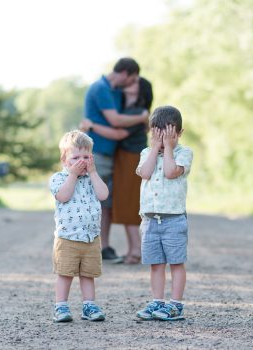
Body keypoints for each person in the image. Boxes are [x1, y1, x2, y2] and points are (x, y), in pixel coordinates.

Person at [80, 77, 153, 264]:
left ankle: (136, 249)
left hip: (132, 157)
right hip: (122, 157)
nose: (130, 83)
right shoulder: (126, 108)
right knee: (122, 202)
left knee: (129, 202)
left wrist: (91, 126)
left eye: (135, 82)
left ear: (141, 91)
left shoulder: (138, 112)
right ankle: (133, 249)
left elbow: (118, 133)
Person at [135, 106, 193, 321]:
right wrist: (154, 148)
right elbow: (145, 173)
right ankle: (157, 301)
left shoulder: (184, 153)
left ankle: (176, 305)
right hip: (150, 220)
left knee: (176, 262)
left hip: (174, 219)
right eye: (157, 135)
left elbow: (170, 172)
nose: (162, 141)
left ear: (179, 133)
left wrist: (168, 148)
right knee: (156, 264)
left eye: (169, 136)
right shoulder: (145, 153)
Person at [49, 130, 109, 322]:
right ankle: (61, 306)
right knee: (65, 273)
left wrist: (93, 172)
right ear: (64, 160)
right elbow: (64, 196)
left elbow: (103, 195)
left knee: (88, 274)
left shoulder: (93, 178)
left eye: (86, 157)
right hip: (68, 237)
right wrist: (73, 175)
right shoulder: (59, 178)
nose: (81, 161)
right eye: (75, 157)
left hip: (91, 237)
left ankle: (89, 305)